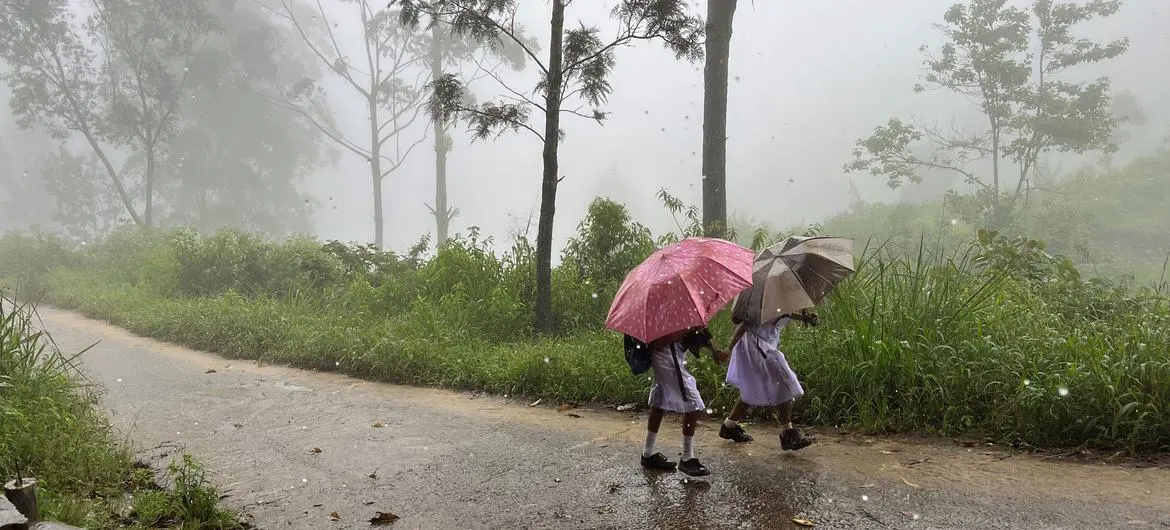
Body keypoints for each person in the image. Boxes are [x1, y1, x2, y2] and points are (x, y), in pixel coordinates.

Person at [718, 309, 818, 450]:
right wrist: (729, 349)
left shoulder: (778, 294)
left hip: (765, 343)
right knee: (784, 381)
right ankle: (787, 433)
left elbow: (781, 312)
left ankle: (729, 426)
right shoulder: (759, 296)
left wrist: (803, 317)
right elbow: (746, 323)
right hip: (754, 344)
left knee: (752, 386)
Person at [636, 326, 729, 476]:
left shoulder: (677, 306)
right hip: (666, 354)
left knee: (659, 401)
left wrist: (714, 350)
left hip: (673, 353)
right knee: (693, 403)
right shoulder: (662, 310)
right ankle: (687, 458)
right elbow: (657, 340)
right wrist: (682, 331)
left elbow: (699, 328)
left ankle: (647, 454)